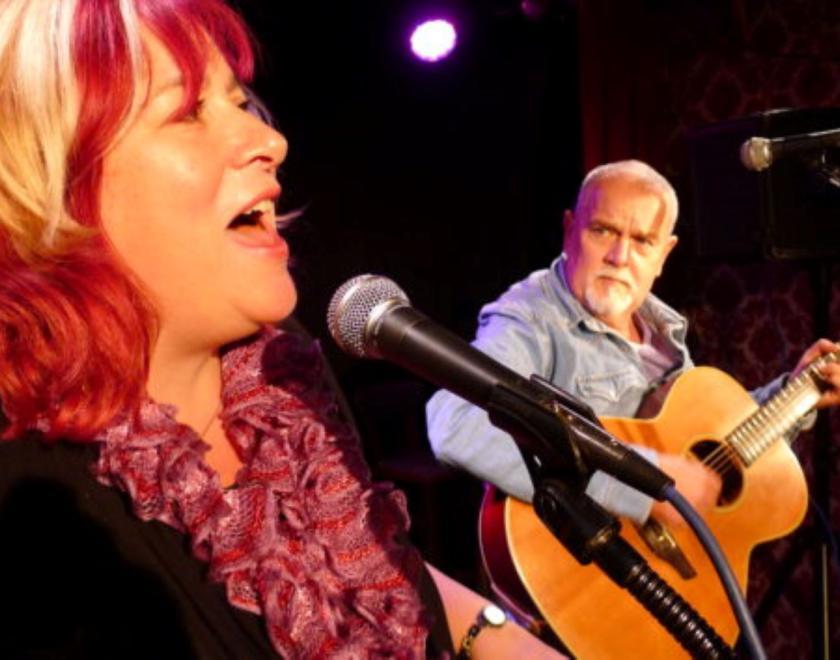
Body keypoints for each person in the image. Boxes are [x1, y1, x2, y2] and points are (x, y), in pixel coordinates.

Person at [0, 1, 561, 658]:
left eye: (240, 102)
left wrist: (496, 637)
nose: (270, 141)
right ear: (53, 186)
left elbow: (377, 578)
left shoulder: (282, 374)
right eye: (187, 112)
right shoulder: (34, 512)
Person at [427, 159, 840, 528]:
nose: (620, 256)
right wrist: (641, 491)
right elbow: (456, 422)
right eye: (603, 230)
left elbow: (710, 441)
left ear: (664, 254)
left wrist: (797, 394)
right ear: (570, 231)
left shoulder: (662, 330)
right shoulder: (531, 317)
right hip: (582, 562)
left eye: (642, 241)